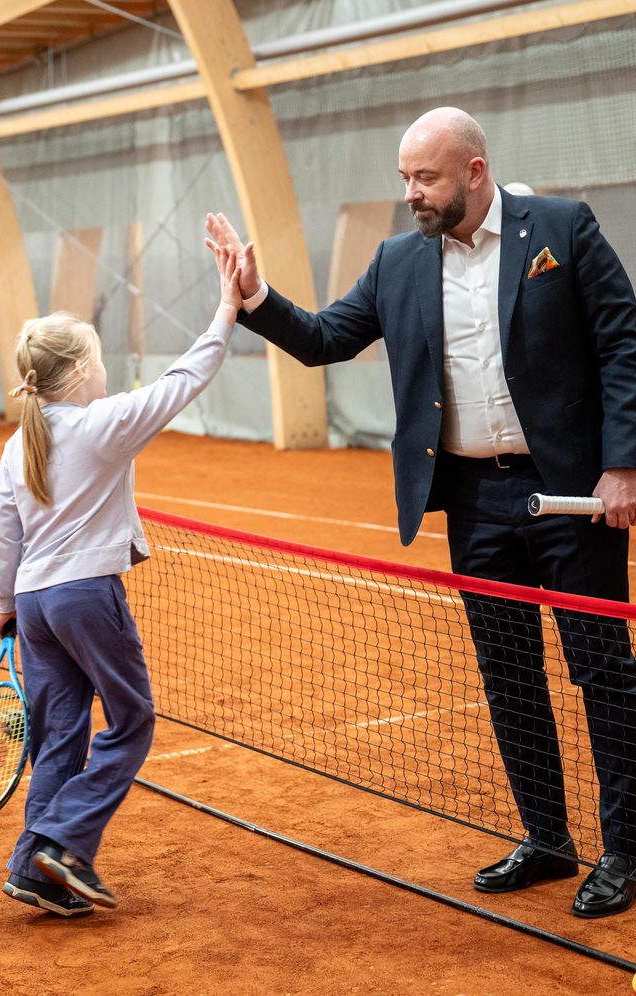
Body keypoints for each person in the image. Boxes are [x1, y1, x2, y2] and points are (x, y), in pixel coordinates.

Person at [205, 106, 636, 919]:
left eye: (425, 177)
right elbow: (327, 335)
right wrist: (255, 294)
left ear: (475, 171)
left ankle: (627, 849)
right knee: (510, 677)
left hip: (573, 495)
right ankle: (547, 838)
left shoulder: (562, 228)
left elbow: (622, 343)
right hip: (473, 502)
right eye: (404, 177)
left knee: (602, 672)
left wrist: (622, 465)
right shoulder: (398, 261)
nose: (410, 193)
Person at [0, 248, 243, 918]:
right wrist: (227, 308)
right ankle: (61, 842)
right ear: (76, 373)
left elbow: (3, 539)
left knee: (59, 737)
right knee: (131, 721)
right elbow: (186, 378)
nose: (105, 370)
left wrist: (2, 607)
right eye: (97, 359)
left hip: (37, 608)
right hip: (86, 599)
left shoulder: (20, 445)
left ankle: (32, 870)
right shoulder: (105, 425)